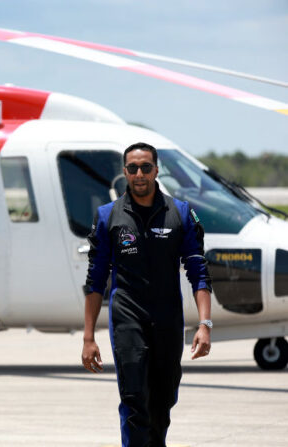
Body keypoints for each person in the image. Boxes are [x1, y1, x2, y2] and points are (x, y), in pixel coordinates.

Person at [82, 142, 213, 447]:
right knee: (134, 398)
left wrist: (204, 325)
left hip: (167, 319)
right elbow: (95, 281)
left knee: (162, 402)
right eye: (132, 168)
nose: (139, 174)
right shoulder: (107, 216)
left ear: (157, 170)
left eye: (145, 167)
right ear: (124, 172)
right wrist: (88, 337)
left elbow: (198, 272)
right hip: (127, 318)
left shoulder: (180, 213)